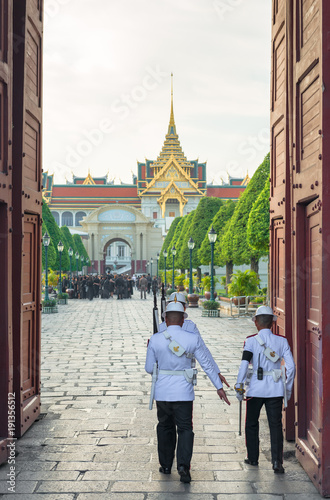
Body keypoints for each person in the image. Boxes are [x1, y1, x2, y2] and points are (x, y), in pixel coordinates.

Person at [145, 302, 230, 483]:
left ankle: (166, 465)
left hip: (163, 393)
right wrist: (219, 387)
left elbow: (149, 369)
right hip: (183, 392)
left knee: (165, 426)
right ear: (183, 320)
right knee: (185, 429)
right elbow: (206, 364)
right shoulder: (192, 338)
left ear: (165, 320)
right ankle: (183, 466)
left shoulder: (155, 339)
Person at [235, 306, 295, 473]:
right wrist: (287, 389)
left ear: (256, 322)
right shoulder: (282, 341)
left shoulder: (250, 341)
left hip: (255, 389)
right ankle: (277, 463)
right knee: (275, 426)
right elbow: (291, 367)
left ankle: (253, 458)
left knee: (251, 424)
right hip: (275, 390)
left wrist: (239, 386)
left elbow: (244, 365)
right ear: (272, 324)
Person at [158, 292, 230, 389]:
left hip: (164, 377)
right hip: (185, 376)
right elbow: (203, 351)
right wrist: (216, 373)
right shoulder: (190, 326)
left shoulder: (161, 327)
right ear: (184, 309)